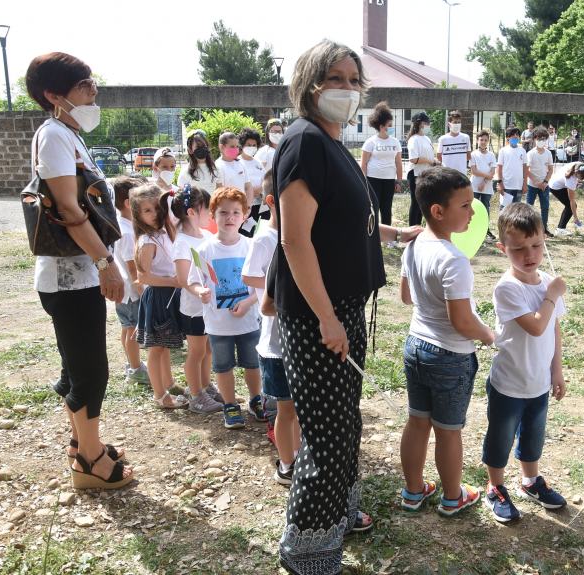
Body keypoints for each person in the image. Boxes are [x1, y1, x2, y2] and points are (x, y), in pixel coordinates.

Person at [272, 40, 421, 575]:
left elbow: (339, 221)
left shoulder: (332, 142)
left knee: (342, 425)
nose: (346, 88)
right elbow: (294, 240)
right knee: (329, 434)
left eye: (354, 80)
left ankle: (336, 514)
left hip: (341, 309)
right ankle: (306, 549)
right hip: (321, 315)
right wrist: (327, 318)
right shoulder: (306, 142)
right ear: (310, 83)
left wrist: (392, 230)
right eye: (334, 77)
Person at [25, 52, 132, 489]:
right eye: (84, 85)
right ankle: (90, 462)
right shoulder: (53, 135)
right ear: (54, 95)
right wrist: (106, 264)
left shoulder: (66, 134)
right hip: (70, 276)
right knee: (90, 369)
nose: (93, 92)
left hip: (76, 273)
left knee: (77, 364)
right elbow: (68, 207)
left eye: (92, 83)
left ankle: (81, 443)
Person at [399, 166, 494, 519]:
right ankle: (453, 497)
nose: (473, 212)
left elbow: (407, 296)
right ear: (438, 211)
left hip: (416, 347)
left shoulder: (414, 246)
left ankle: (412, 491)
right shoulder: (455, 259)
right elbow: (462, 321)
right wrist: (489, 335)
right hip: (450, 356)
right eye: (466, 206)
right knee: (449, 431)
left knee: (417, 422)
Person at [481, 203, 567, 524]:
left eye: (536, 245)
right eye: (518, 249)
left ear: (545, 239)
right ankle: (496, 486)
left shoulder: (547, 281)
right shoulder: (507, 287)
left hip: (538, 382)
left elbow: (555, 328)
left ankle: (530, 481)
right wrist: (552, 295)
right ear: (503, 248)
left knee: (534, 435)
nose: (529, 254)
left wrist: (556, 370)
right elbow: (535, 325)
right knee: (501, 436)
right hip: (509, 382)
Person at [243, 171, 300, 486]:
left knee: (298, 408)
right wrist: (274, 287)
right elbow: (250, 277)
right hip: (275, 343)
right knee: (285, 409)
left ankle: (298, 454)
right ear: (271, 202)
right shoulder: (266, 237)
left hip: (296, 340)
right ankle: (287, 463)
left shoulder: (299, 236)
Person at [189, 187, 264, 428]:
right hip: (218, 325)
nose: (229, 218)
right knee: (223, 367)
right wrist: (200, 291)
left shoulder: (251, 246)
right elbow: (192, 280)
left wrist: (248, 302)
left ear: (244, 216)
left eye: (235, 212)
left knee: (253, 364)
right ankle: (230, 405)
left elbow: (262, 284)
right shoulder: (204, 250)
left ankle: (256, 400)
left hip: (249, 321)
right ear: (213, 215)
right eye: (223, 212)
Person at [131, 184, 188, 410]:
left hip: (170, 293)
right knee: (156, 349)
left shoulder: (165, 232)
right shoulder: (146, 241)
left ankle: (169, 383)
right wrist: (173, 281)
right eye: (147, 210)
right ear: (138, 214)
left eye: (157, 207)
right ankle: (160, 395)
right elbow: (143, 277)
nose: (154, 213)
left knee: (164, 347)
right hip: (158, 296)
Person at [171, 184, 223, 414]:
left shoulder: (208, 235)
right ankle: (195, 395)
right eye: (206, 210)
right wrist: (199, 291)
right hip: (194, 308)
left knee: (208, 348)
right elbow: (183, 278)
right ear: (191, 212)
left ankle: (205, 384)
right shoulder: (182, 242)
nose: (210, 215)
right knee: (196, 351)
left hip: (211, 305)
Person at [111, 176, 149, 386]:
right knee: (134, 329)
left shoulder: (121, 224)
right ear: (128, 203)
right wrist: (141, 288)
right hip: (131, 290)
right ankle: (136, 369)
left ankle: (132, 365)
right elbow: (132, 266)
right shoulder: (127, 232)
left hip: (123, 290)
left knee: (127, 327)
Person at [361, 101, 403, 229]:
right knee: (374, 207)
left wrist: (399, 181)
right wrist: (364, 182)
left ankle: (388, 237)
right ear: (380, 126)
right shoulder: (370, 142)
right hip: (373, 180)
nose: (391, 128)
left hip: (389, 180)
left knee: (387, 208)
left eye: (392, 125)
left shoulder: (395, 142)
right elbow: (364, 164)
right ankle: (373, 234)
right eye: (389, 125)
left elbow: (398, 163)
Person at [407, 111, 439, 226]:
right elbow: (414, 159)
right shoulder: (413, 139)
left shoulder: (426, 138)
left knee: (422, 203)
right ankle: (412, 229)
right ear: (421, 124)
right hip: (415, 174)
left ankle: (418, 228)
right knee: (416, 203)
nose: (428, 125)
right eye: (427, 123)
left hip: (426, 174)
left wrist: (434, 161)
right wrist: (430, 161)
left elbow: (429, 155)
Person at [239, 127, 268, 232]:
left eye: (254, 145)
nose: (251, 147)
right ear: (242, 145)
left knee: (259, 233)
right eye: (248, 145)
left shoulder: (258, 162)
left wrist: (260, 190)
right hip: (244, 207)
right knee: (246, 234)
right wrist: (250, 192)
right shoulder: (237, 163)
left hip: (260, 205)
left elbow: (265, 180)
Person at [526, 125, 554, 234]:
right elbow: (527, 170)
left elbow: (551, 169)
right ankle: (528, 228)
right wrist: (536, 182)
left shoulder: (548, 153)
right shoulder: (531, 153)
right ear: (534, 139)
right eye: (538, 138)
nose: (541, 141)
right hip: (532, 185)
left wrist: (545, 182)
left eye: (543, 139)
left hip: (544, 186)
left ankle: (544, 228)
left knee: (545, 207)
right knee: (529, 207)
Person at [548, 162, 584, 237]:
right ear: (576, 173)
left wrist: (576, 183)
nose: (580, 179)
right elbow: (571, 200)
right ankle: (560, 229)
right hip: (556, 187)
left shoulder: (578, 164)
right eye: (579, 177)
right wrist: (575, 218)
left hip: (558, 181)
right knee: (571, 206)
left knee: (569, 206)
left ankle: (560, 228)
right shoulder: (570, 179)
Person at [215, 131, 254, 208]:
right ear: (222, 147)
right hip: (228, 210)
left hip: (242, 209)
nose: (236, 149)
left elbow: (248, 187)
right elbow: (219, 192)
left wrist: (248, 207)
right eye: (232, 146)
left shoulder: (240, 163)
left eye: (237, 146)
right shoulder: (217, 166)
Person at [470, 130, 497, 238]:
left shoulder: (491, 155)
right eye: (481, 140)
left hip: (487, 187)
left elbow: (493, 172)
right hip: (475, 186)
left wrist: (485, 182)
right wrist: (487, 176)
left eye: (486, 140)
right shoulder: (473, 154)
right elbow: (474, 171)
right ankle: (473, 229)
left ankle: (486, 230)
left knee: (486, 208)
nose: (483, 142)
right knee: (474, 208)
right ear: (477, 141)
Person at [177, 130, 220, 195]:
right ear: (190, 150)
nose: (202, 149)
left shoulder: (215, 168)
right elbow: (183, 194)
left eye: (204, 146)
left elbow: (219, 191)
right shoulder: (185, 171)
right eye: (198, 147)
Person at [497, 126, 529, 208]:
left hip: (518, 186)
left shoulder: (522, 150)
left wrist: (525, 183)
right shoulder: (503, 151)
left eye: (517, 134)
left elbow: (525, 168)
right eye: (512, 135)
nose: (515, 136)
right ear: (508, 137)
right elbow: (499, 168)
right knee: (504, 209)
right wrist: (500, 183)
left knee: (515, 211)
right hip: (506, 186)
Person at [437, 110, 471, 177]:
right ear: (449, 124)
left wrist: (460, 161)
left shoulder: (466, 137)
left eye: (459, 122)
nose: (457, 124)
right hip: (447, 174)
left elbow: (468, 156)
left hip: (462, 174)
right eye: (455, 122)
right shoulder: (443, 139)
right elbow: (438, 156)